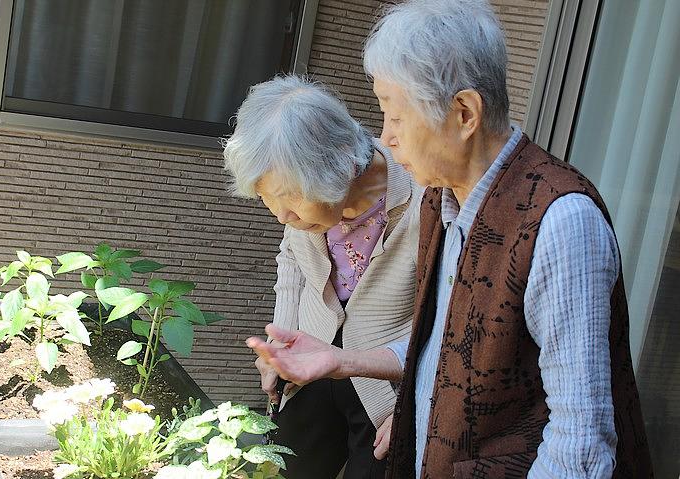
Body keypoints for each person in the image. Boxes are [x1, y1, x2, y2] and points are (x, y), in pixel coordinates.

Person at [246, 1, 653, 477]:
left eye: (395, 116)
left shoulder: (560, 220)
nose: (386, 139)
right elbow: (446, 347)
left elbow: (579, 443)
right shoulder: (444, 204)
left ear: (464, 114)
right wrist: (340, 360)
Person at [222, 75, 424, 478]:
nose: (282, 216)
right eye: (268, 199)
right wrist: (280, 342)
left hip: (384, 385)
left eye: (291, 198)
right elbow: (292, 259)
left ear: (344, 165)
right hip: (311, 365)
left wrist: (413, 402)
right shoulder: (298, 191)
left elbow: (443, 314)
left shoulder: (424, 197)